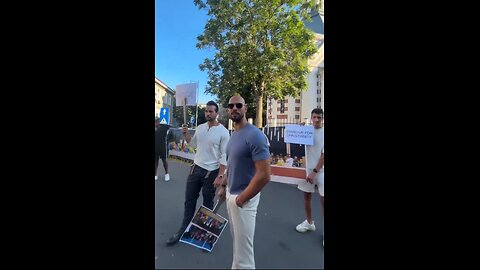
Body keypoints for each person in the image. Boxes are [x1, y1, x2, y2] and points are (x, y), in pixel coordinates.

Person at [217, 95, 271, 269]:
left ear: (245, 109)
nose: (234, 108)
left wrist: (241, 199)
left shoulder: (255, 135)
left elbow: (264, 174)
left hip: (244, 199)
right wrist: (224, 186)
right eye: (230, 105)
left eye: (238, 105)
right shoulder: (234, 135)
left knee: (244, 256)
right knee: (238, 246)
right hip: (231, 195)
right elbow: (232, 165)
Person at [166, 101, 230, 246]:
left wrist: (220, 176)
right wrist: (186, 134)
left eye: (211, 111)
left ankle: (204, 233)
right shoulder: (200, 128)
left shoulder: (224, 132)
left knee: (207, 204)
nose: (207, 113)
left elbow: (224, 156)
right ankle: (183, 229)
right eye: (206, 111)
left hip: (211, 173)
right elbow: (193, 144)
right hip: (195, 169)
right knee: (189, 201)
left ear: (217, 113)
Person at [295, 108, 325, 247]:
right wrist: (299, 128)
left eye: (319, 117)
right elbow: (295, 139)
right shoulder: (306, 131)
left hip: (321, 172)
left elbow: (323, 156)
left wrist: (314, 171)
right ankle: (309, 222)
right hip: (308, 171)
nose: (317, 120)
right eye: (314, 117)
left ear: (322, 118)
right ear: (311, 118)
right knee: (307, 196)